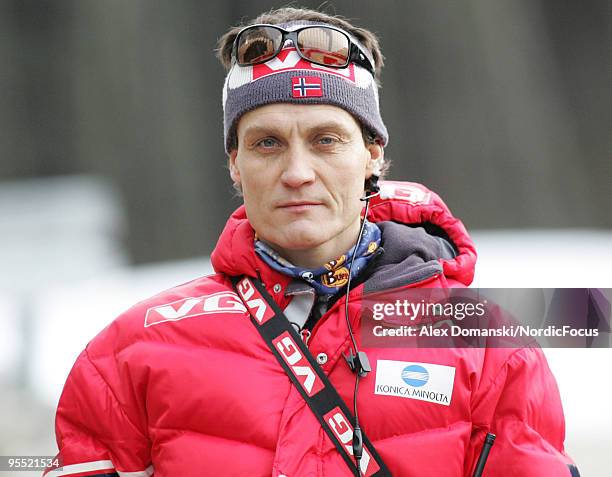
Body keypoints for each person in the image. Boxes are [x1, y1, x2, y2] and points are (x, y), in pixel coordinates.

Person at [45, 7, 580, 477]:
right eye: (267, 143)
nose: (297, 172)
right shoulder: (131, 350)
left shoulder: (485, 346)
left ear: (372, 155)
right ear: (235, 163)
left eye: (326, 140)